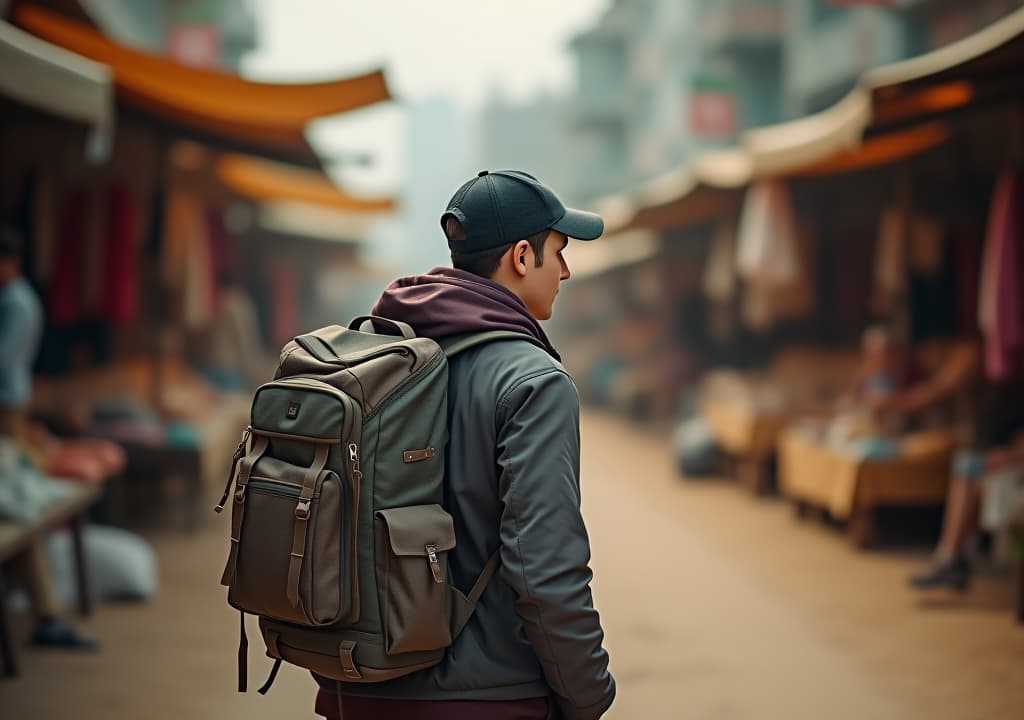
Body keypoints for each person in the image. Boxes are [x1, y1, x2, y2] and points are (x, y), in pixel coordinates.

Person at [313, 171, 616, 720]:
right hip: (487, 697)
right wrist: (590, 694)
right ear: (523, 257)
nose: (566, 271)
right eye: (559, 251)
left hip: (354, 685)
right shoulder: (533, 380)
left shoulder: (375, 356)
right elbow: (544, 566)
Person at [0, 225, 98, 650]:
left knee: (17, 504)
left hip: (6, 411)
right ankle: (46, 613)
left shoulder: (17, 303)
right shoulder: (15, 300)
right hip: (10, 410)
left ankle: (46, 613)